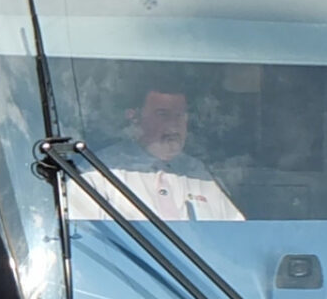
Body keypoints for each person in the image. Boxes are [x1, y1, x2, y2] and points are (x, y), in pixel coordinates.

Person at [99, 86, 244, 221]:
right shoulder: (102, 170)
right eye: (163, 115)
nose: (174, 124)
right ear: (135, 117)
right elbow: (83, 234)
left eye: (180, 115)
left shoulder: (196, 172)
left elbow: (234, 230)